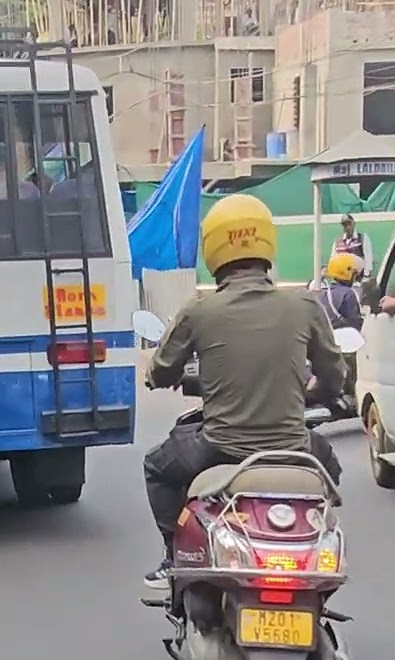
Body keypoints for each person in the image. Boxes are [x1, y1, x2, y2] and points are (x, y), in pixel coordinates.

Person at [142, 194, 347, 589]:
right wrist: (311, 393)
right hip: (293, 446)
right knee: (331, 474)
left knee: (156, 468)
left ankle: (173, 557)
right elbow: (335, 378)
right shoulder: (304, 305)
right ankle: (315, 546)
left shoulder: (199, 311)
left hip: (219, 447)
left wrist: (159, 376)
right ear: (267, 244)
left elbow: (161, 370)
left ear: (213, 249)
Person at [317, 253, 364, 331]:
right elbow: (355, 324)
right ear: (347, 272)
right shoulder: (348, 294)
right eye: (355, 273)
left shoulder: (323, 292)